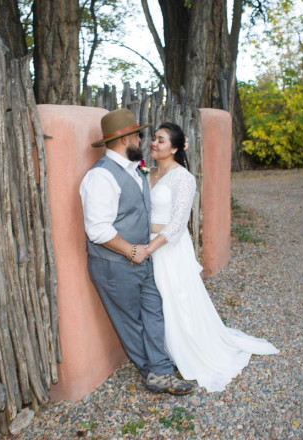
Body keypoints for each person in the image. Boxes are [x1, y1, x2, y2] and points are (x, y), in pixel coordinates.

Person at [145, 122, 279, 393]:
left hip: (167, 248)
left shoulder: (183, 178)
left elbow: (177, 224)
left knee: (176, 298)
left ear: (174, 147)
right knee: (155, 299)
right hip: (148, 243)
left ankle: (185, 350)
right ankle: (163, 350)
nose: (153, 144)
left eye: (160, 140)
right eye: (153, 139)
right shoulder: (147, 173)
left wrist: (149, 246)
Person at [79, 109, 195, 395]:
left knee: (153, 312)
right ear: (126, 138)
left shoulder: (137, 168)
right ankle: (154, 373)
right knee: (130, 320)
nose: (144, 141)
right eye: (139, 136)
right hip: (115, 264)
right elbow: (98, 229)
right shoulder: (100, 177)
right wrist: (131, 251)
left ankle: (161, 367)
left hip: (143, 258)